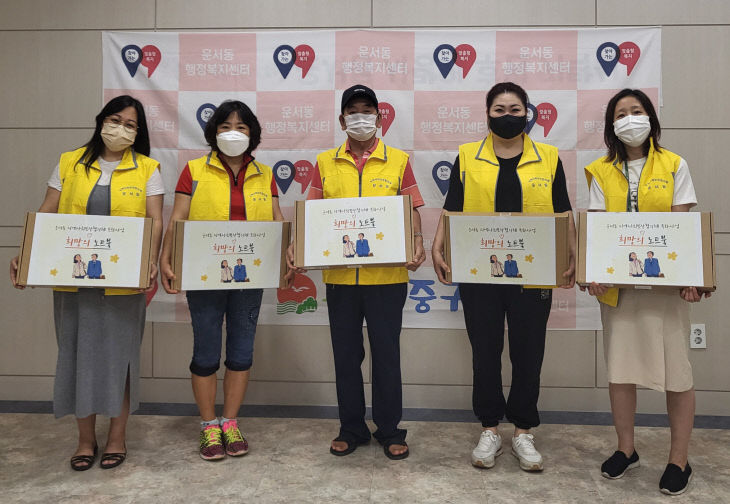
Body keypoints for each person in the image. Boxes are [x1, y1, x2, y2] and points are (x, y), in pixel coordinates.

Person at [9, 95, 164, 470]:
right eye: (116, 120)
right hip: (72, 280)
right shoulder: (69, 162)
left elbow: (155, 220)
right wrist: (26, 253)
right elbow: (47, 210)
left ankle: (116, 437)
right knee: (76, 355)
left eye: (131, 125)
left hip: (124, 282)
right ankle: (83, 440)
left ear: (137, 133)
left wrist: (150, 261)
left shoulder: (148, 168)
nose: (121, 129)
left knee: (120, 360)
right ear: (101, 121)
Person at [432, 82, 576, 471]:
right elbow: (452, 207)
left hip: (535, 271)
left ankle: (524, 431)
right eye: (499, 109)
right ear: (487, 113)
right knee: (485, 353)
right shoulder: (467, 155)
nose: (508, 116)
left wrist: (572, 252)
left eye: (515, 109)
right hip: (480, 271)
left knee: (529, 353)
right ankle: (491, 428)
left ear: (528, 113)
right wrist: (437, 246)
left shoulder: (548, 156)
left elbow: (563, 210)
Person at [287, 84, 425, 460]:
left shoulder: (397, 159)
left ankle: (390, 429)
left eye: (367, 109)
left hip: (388, 278)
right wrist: (297, 243)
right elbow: (311, 213)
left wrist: (417, 239)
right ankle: (351, 427)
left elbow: (411, 208)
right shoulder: (325, 161)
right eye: (352, 110)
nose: (360, 116)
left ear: (379, 118)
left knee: (386, 355)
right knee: (346, 356)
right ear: (341, 119)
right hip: (341, 278)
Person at [583, 88, 709, 495]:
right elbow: (598, 228)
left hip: (664, 287)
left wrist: (690, 277)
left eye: (636, 111)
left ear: (650, 119)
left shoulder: (674, 164)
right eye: (621, 113)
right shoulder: (600, 170)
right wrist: (595, 272)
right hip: (620, 290)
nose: (629, 119)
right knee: (620, 372)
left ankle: (678, 459)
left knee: (677, 373)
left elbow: (683, 227)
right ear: (611, 125)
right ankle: (626, 449)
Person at [160, 100, 284, 461]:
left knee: (242, 351)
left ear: (253, 134)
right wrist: (167, 259)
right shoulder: (194, 170)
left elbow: (277, 221)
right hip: (205, 275)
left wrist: (287, 258)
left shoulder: (265, 174)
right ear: (214, 132)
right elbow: (178, 218)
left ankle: (230, 422)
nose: (234, 132)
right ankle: (208, 426)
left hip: (250, 277)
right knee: (206, 349)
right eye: (226, 126)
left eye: (242, 127)